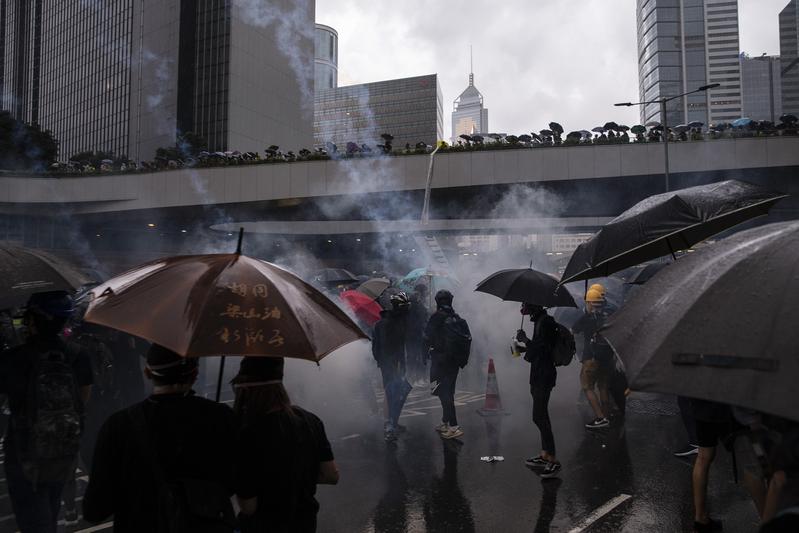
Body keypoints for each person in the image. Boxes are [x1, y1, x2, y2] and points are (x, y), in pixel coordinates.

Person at [83, 344, 237, 532]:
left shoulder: (118, 425)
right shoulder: (222, 417)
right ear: (195, 374)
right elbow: (233, 483)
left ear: (147, 372)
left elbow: (94, 510)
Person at [0, 291, 92, 533]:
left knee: (33, 518)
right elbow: (83, 399)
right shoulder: (78, 355)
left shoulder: (12, 359)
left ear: (32, 321)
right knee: (51, 506)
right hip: (64, 448)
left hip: (23, 453)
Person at [233, 357, 339, 533]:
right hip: (305, 523)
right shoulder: (310, 420)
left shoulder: (248, 433)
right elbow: (331, 475)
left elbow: (248, 507)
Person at [515, 303, 561, 478]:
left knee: (539, 416)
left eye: (526, 306)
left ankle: (553, 460)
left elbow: (544, 350)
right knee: (542, 415)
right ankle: (545, 454)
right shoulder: (540, 321)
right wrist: (524, 348)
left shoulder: (546, 322)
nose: (524, 311)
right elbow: (539, 347)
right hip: (538, 374)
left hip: (544, 375)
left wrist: (526, 340)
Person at [423, 290, 464, 440]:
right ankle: (445, 422)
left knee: (443, 393)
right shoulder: (455, 317)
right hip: (454, 362)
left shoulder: (437, 317)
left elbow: (426, 337)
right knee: (447, 392)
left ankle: (454, 426)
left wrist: (423, 355)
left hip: (440, 361)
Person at [372, 292, 413, 441]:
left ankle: (391, 422)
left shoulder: (386, 322)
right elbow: (386, 347)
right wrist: (391, 363)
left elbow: (375, 347)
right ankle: (390, 426)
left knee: (392, 392)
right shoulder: (390, 324)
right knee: (393, 393)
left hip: (390, 363)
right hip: (391, 364)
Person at [572, 288, 614, 429]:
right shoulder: (610, 314)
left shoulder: (588, 317)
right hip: (607, 357)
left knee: (588, 387)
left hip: (591, 358)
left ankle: (600, 418)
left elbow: (574, 329)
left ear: (589, 302)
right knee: (603, 387)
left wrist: (586, 314)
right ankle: (606, 416)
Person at [691, 398, 733, 532]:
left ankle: (701, 519)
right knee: (749, 462)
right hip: (731, 407)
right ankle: (767, 522)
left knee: (703, 456)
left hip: (703, 403)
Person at [406, 284, 430, 384]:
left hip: (409, 335)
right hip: (418, 335)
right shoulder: (420, 307)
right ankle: (420, 377)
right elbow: (424, 319)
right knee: (420, 356)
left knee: (411, 357)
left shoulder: (407, 307)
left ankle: (410, 377)